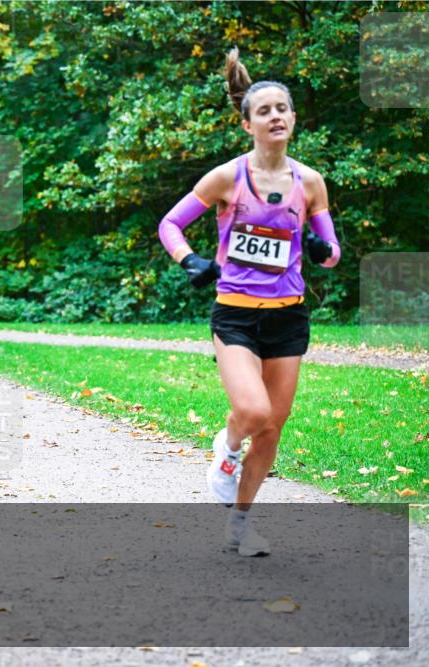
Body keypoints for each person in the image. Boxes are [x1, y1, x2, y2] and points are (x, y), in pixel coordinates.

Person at [158, 48, 340, 556]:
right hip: (235, 314)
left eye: (283, 108)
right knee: (252, 411)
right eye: (265, 110)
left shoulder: (309, 182)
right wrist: (190, 260)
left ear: (293, 118)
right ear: (247, 124)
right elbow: (170, 224)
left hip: (289, 317)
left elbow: (330, 253)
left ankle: (240, 524)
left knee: (273, 428)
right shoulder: (226, 178)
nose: (276, 116)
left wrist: (324, 250)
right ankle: (226, 448)